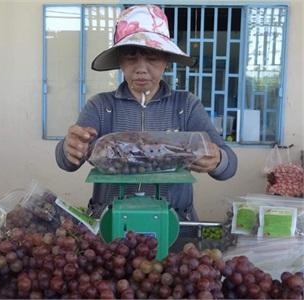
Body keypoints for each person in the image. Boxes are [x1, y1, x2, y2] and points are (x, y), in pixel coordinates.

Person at [55, 5, 237, 222]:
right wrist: (69, 148)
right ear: (120, 61)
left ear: (166, 60)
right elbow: (67, 163)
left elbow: (228, 167)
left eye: (152, 57)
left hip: (175, 222)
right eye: (131, 57)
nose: (141, 68)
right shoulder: (101, 106)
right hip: (111, 220)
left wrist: (217, 160)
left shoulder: (185, 105)